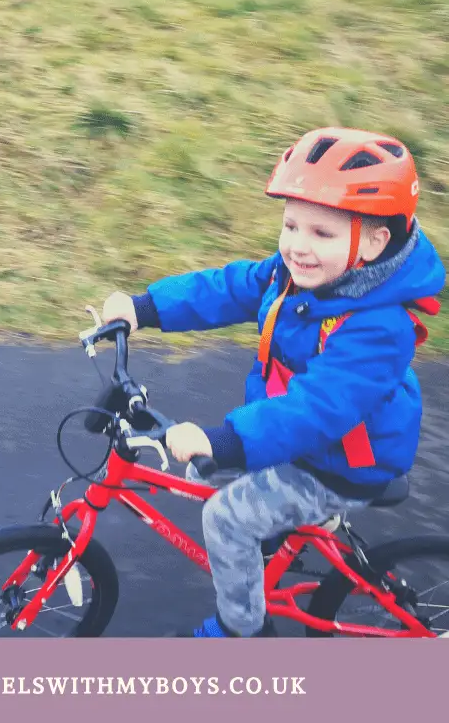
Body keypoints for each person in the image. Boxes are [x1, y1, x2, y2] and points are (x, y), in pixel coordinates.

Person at [102, 127, 446, 638]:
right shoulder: (296, 275)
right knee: (207, 476)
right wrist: (145, 308)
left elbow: (315, 410)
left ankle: (239, 629)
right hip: (305, 442)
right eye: (291, 226)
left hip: (343, 462)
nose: (298, 247)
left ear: (374, 242)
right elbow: (227, 287)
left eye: (322, 234)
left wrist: (225, 440)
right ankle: (286, 534)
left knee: (225, 517)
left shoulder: (380, 328)